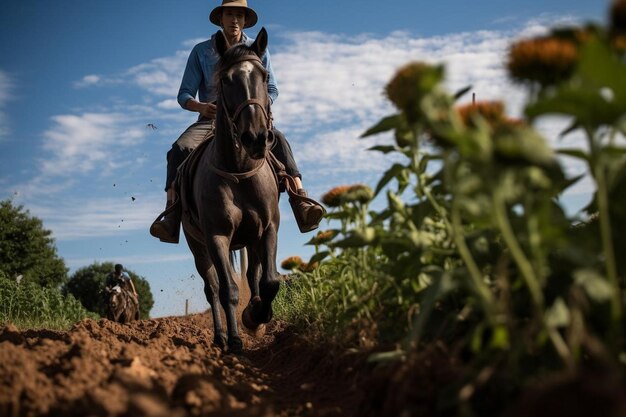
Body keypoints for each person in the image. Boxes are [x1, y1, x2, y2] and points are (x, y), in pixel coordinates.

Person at [149, 0, 324, 244]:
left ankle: (301, 201)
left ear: (245, 20)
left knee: (281, 141)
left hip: (248, 118)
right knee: (179, 149)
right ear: (220, 18)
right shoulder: (201, 51)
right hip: (211, 120)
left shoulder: (257, 49)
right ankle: (172, 214)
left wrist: (260, 107)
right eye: (229, 14)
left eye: (239, 15)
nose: (234, 20)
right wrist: (202, 107)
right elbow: (184, 95)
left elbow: (271, 87)